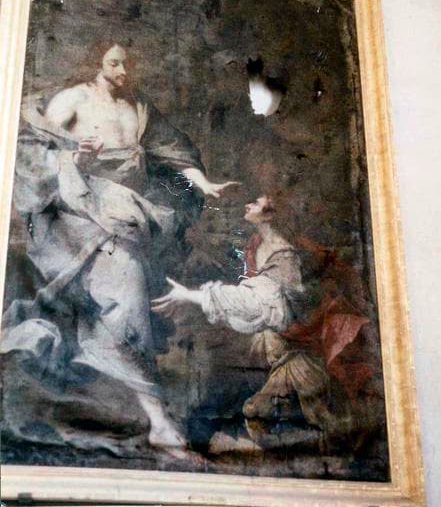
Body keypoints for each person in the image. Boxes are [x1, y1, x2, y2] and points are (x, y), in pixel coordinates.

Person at [1, 41, 237, 457]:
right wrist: (75, 158)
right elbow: (36, 156)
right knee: (126, 296)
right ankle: (158, 420)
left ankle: (134, 412)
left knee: (129, 302)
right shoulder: (72, 100)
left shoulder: (138, 108)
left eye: (129, 63)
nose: (124, 71)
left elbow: (173, 154)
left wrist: (204, 184)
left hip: (127, 217)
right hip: (75, 219)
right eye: (115, 63)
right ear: (96, 61)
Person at [152, 195, 378, 452]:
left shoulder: (283, 254)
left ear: (270, 215)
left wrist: (191, 296)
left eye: (256, 203)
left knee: (300, 417)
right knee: (219, 360)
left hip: (300, 346)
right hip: (279, 339)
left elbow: (260, 304)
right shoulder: (257, 243)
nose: (247, 205)